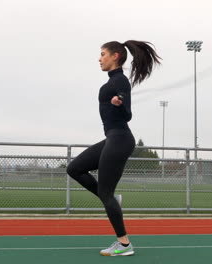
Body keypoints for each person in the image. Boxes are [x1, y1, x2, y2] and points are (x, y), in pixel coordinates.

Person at [66, 40, 161, 256]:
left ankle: (125, 244)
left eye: (103, 54)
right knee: (74, 169)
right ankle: (110, 199)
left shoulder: (120, 81)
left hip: (120, 139)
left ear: (115, 56)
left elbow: (127, 113)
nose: (99, 58)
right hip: (112, 139)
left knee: (106, 192)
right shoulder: (111, 82)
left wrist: (120, 103)